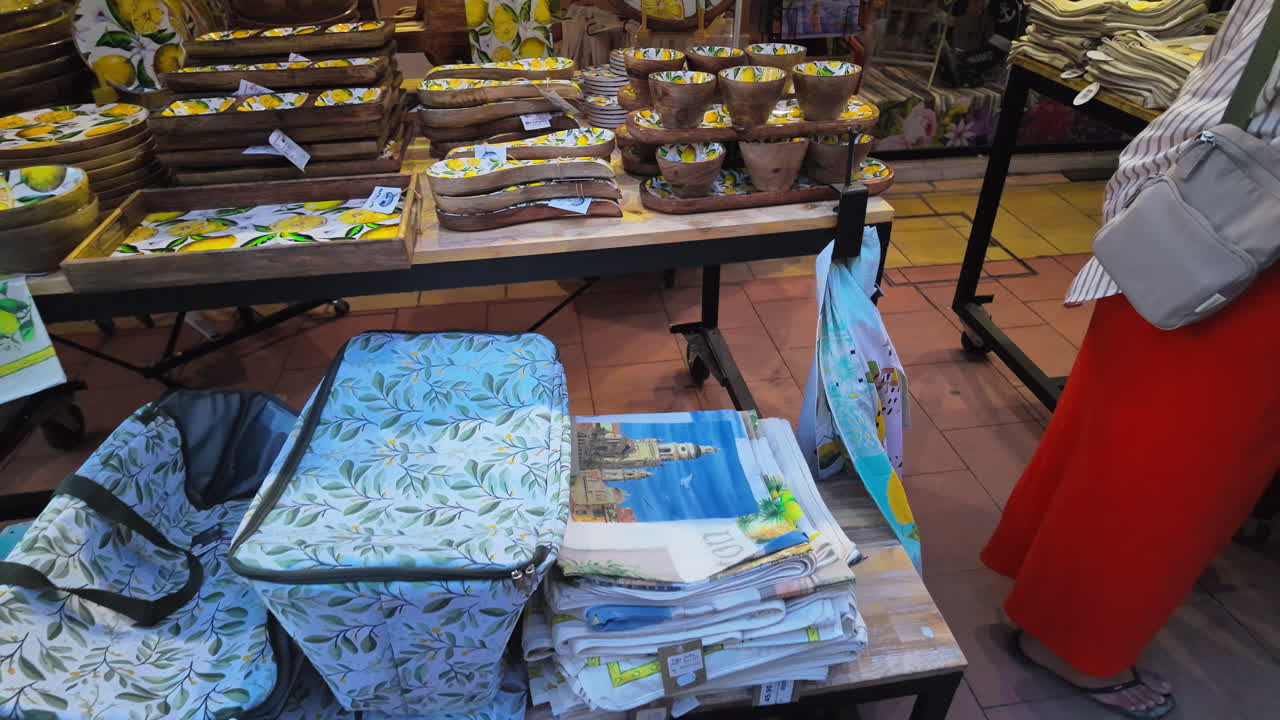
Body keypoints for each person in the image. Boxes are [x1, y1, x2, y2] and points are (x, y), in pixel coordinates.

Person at [980, 1, 1280, 717]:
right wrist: (1137, 220)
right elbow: (1208, 112)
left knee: (1121, 445)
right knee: (1176, 476)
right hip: (1231, 258)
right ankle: (1075, 642)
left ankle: (1050, 588)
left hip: (1212, 241)